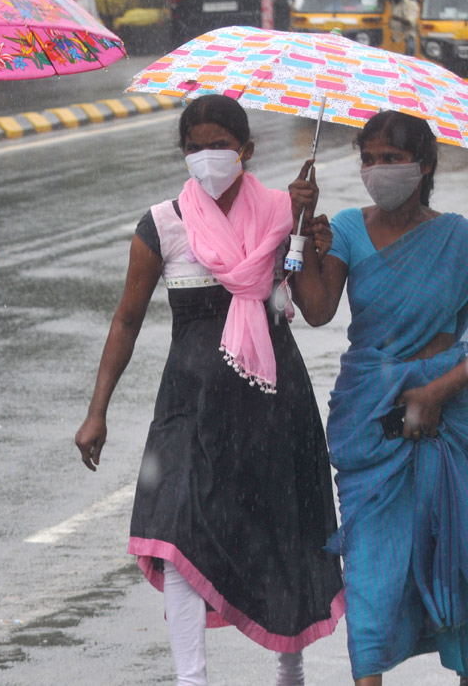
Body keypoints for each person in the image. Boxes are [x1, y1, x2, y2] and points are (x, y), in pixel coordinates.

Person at [74, 94, 344, 686]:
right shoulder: (161, 224)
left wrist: (307, 229)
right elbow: (126, 318)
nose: (206, 157)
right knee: (175, 528)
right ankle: (190, 677)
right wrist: (98, 411)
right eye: (194, 147)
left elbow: (319, 310)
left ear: (246, 151)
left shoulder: (283, 213)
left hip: (274, 399)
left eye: (219, 145)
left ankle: (290, 668)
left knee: (284, 526)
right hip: (189, 404)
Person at [289, 109, 468, 686]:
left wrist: (439, 389)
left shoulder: (458, 238)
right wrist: (300, 229)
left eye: (391, 159)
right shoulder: (343, 226)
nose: (377, 170)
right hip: (371, 420)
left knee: (457, 559)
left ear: (425, 166)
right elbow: (316, 309)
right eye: (368, 159)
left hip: (448, 418)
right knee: (371, 568)